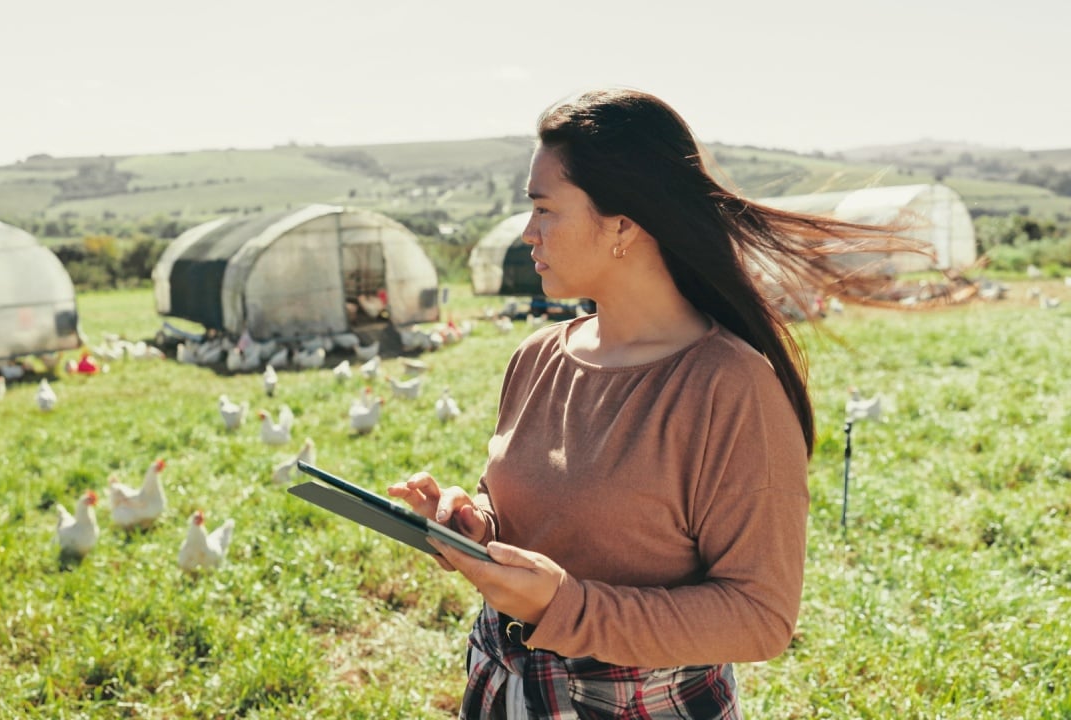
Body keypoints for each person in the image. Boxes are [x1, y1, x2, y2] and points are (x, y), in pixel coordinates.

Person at [388, 88, 923, 718]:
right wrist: (477, 524)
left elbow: (760, 618)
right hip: (506, 687)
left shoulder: (731, 389)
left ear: (622, 225)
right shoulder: (536, 357)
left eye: (543, 209)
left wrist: (563, 607)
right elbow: (549, 517)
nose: (529, 232)